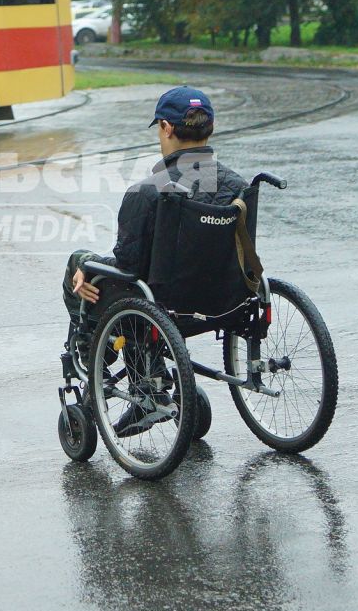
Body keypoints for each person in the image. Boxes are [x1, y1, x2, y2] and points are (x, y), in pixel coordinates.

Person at [62, 85, 247, 433]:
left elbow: (126, 265)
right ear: (211, 127)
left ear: (166, 127)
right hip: (224, 301)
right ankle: (150, 374)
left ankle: (101, 365)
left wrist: (85, 264)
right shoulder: (237, 186)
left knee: (83, 266)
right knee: (134, 289)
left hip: (160, 307)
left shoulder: (148, 192)